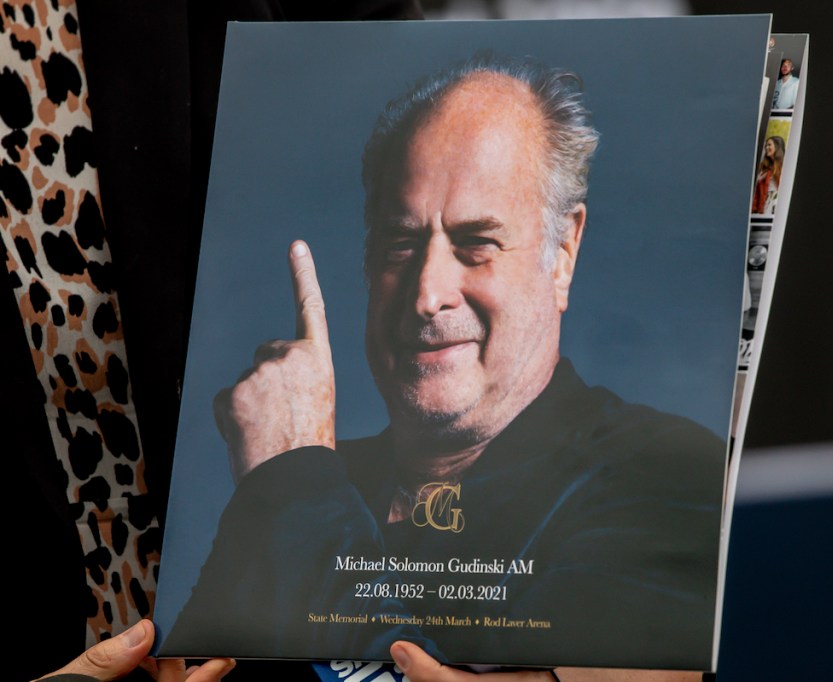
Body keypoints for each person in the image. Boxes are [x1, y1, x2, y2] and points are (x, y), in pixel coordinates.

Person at [163, 54, 724, 673]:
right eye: (401, 244)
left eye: (475, 243)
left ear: (562, 252)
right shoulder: (318, 479)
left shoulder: (669, 475)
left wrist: (291, 483)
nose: (428, 293)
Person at [751, 136, 785, 215]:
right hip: (764, 204)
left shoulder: (783, 165)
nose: (766, 147)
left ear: (777, 146)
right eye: (766, 145)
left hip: (776, 203)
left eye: (769, 145)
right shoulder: (764, 166)